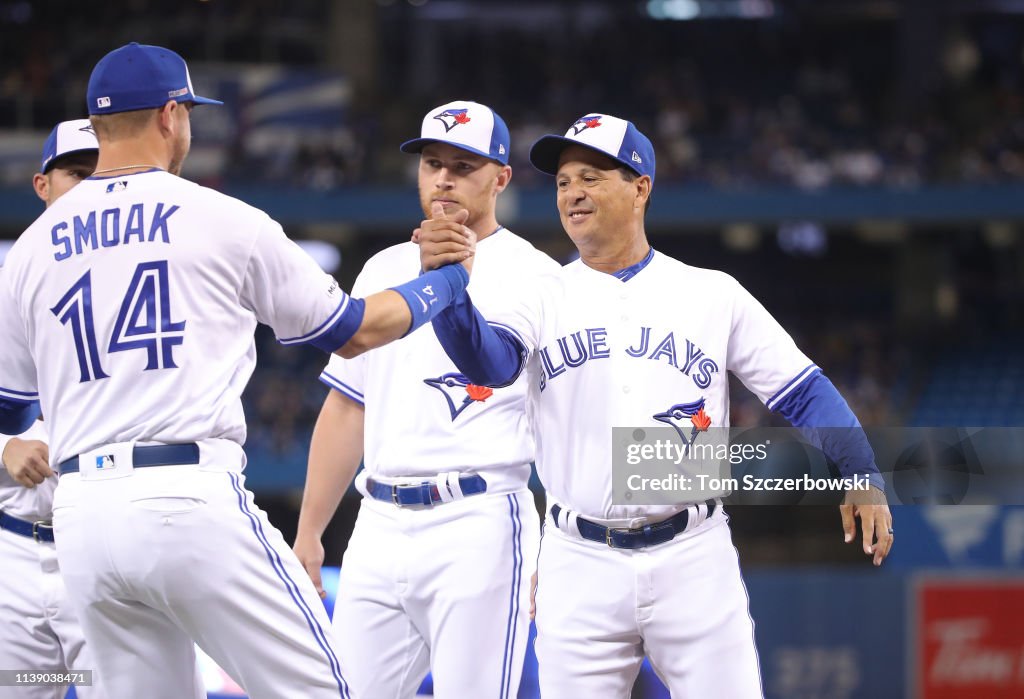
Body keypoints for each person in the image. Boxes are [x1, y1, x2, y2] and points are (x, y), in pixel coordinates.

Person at [0, 43, 473, 699]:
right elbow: (354, 330)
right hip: (185, 498)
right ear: (170, 115)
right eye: (188, 112)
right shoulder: (218, 216)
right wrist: (443, 286)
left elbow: (10, 408)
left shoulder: (29, 252)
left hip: (80, 518)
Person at [417, 113, 894, 698]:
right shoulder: (540, 295)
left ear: (640, 187)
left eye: (591, 177)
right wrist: (449, 295)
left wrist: (861, 469)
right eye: (564, 182)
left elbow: (803, 391)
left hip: (692, 556)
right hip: (578, 558)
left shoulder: (709, 292)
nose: (573, 194)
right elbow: (486, 364)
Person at [292, 100, 559, 699]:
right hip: (378, 523)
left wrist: (449, 280)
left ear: (501, 178)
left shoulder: (532, 273)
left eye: (463, 166)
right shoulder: (383, 266)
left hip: (480, 519)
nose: (443, 178)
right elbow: (347, 406)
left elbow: (492, 363)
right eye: (432, 162)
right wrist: (310, 530)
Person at [0, 120, 108, 699]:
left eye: (101, 173)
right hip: (13, 556)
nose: (90, 187)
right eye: (76, 173)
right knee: (22, 689)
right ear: (43, 184)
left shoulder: (142, 280)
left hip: (103, 549)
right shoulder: (6, 284)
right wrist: (4, 445)